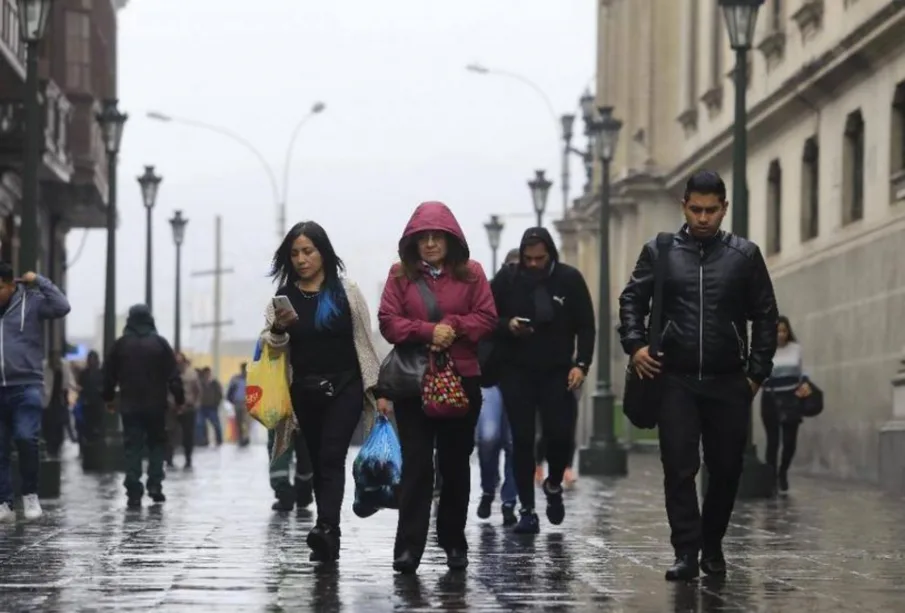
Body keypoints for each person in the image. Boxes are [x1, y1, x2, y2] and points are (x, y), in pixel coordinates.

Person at [618, 170, 778, 581]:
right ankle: (686, 551)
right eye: (696, 209)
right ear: (684, 206)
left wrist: (756, 374)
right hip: (676, 378)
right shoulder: (661, 250)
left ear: (724, 209)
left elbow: (765, 316)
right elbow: (632, 300)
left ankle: (713, 545)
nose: (703, 218)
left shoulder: (744, 256)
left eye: (711, 210)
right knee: (679, 466)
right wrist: (635, 346)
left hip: (729, 380)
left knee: (726, 468)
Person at [378, 201, 496, 574]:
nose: (429, 244)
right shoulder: (399, 276)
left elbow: (487, 318)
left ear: (450, 240)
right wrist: (428, 331)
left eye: (436, 237)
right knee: (416, 464)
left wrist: (455, 328)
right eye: (422, 238)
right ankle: (409, 547)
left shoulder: (473, 274)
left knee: (455, 464)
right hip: (415, 382)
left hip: (461, 379)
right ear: (412, 242)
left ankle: (453, 542)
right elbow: (388, 322)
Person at [263, 221, 383, 562]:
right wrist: (277, 329)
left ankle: (328, 529)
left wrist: (378, 389)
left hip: (345, 386)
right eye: (295, 253)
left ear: (323, 253)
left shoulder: (347, 292)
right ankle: (326, 525)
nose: (302, 259)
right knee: (318, 459)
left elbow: (364, 342)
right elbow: (273, 348)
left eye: (308, 251)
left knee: (332, 455)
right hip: (304, 391)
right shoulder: (282, 300)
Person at [490, 227, 595, 534]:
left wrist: (581, 365)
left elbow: (586, 325)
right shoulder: (507, 280)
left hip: (558, 371)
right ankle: (527, 509)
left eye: (540, 258)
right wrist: (507, 324)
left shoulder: (569, 279)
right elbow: (484, 319)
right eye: (528, 258)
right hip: (517, 371)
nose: (533, 264)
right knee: (522, 440)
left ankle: (553, 484)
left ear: (550, 254)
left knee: (559, 435)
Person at [0, 267, 70, 522]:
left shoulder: (30, 303)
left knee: (25, 437)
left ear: (10, 285)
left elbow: (62, 306)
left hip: (26, 384)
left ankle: (30, 494)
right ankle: (3, 502)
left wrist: (39, 281)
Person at [103, 305, 184, 508]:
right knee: (157, 444)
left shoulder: (121, 345)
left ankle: (133, 490)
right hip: (156, 405)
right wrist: (179, 400)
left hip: (130, 405)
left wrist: (109, 398)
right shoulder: (160, 344)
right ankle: (155, 484)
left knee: (133, 447)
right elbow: (174, 377)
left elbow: (108, 375)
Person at [476, 248, 520, 526]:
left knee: (515, 443)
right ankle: (488, 487)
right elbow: (481, 325)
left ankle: (509, 501)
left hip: (520, 379)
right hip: (490, 376)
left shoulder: (535, 295)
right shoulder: (489, 293)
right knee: (489, 437)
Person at [761, 316, 812, 494]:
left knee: (790, 442)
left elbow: (802, 370)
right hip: (771, 398)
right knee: (773, 442)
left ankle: (783, 471)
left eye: (784, 331)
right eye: (777, 331)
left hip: (791, 399)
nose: (781, 335)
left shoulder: (795, 349)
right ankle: (771, 478)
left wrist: (805, 382)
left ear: (788, 331)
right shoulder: (766, 349)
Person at [166, 352, 201, 469]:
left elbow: (197, 391)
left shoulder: (192, 374)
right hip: (172, 408)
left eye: (180, 362)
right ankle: (169, 459)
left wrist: (194, 404)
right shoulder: (168, 374)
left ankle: (188, 458)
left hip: (188, 408)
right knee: (170, 433)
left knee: (188, 435)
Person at [197, 367, 223, 446]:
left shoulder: (214, 383)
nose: (207, 375)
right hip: (202, 407)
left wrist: (216, 403)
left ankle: (219, 440)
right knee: (201, 425)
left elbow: (219, 394)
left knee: (216, 424)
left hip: (212, 407)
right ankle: (203, 440)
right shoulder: (200, 382)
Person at [226, 363, 250, 446]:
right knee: (239, 422)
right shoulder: (235, 379)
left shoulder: (251, 378)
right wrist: (231, 400)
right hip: (238, 403)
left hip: (247, 403)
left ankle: (246, 438)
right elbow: (230, 391)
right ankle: (240, 438)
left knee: (246, 421)